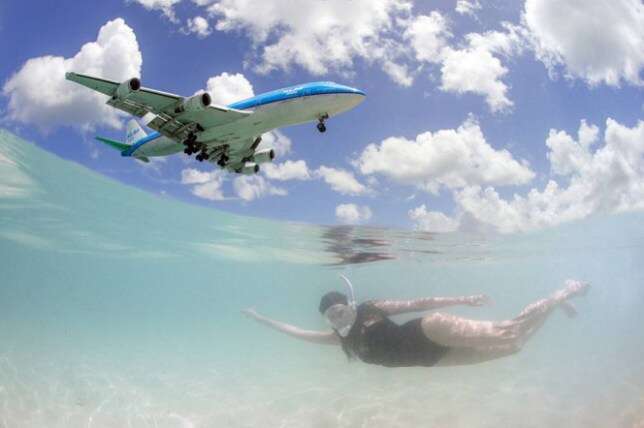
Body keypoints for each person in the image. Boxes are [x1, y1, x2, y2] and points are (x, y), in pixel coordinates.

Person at [242, 279, 589, 367]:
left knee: (509, 330)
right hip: (431, 359)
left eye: (341, 310)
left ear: (349, 305)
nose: (339, 317)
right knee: (513, 347)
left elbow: (418, 304)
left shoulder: (371, 308)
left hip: (430, 329)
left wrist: (463, 299)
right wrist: (261, 320)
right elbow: (296, 332)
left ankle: (562, 292)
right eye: (332, 316)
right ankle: (556, 305)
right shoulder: (339, 341)